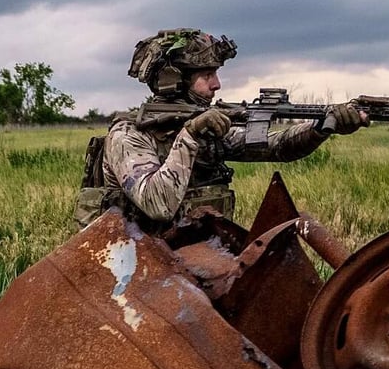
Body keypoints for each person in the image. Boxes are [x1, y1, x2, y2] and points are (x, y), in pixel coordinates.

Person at [75, 28, 367, 231]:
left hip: (188, 253)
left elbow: (277, 147)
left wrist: (323, 128)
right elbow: (158, 203)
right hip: (132, 265)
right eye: (207, 75)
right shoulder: (129, 135)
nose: (217, 85)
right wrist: (189, 136)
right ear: (173, 81)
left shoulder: (207, 126)